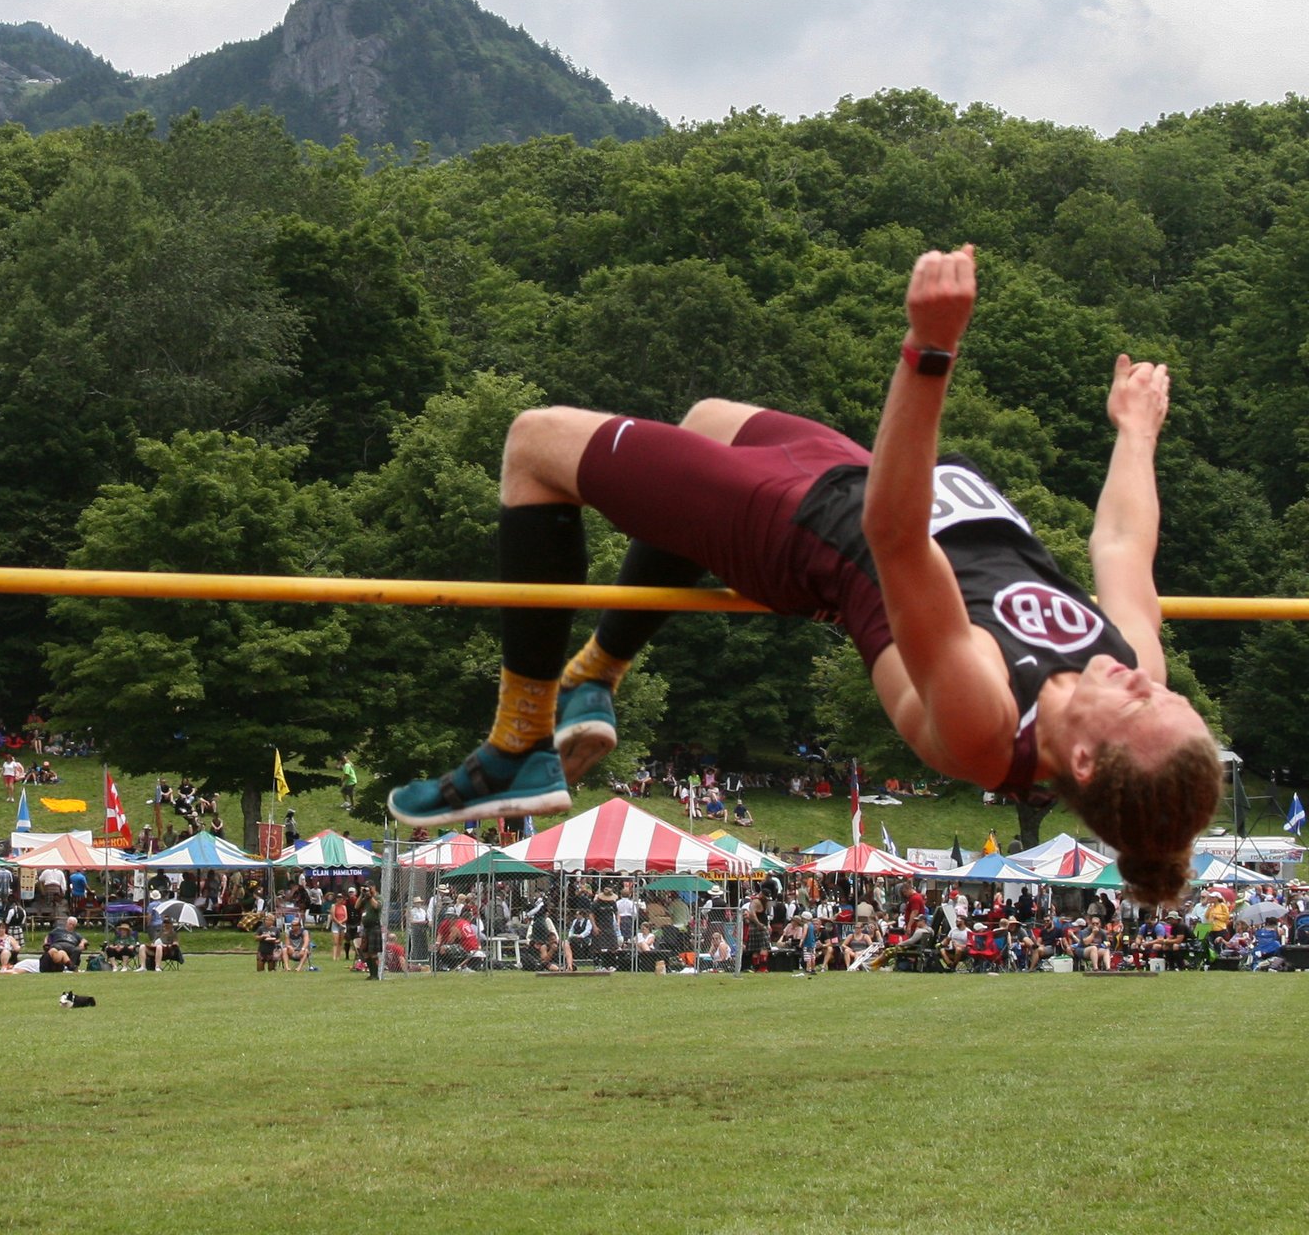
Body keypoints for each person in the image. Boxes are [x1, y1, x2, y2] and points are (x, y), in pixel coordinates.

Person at [390, 246, 1219, 905]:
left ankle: (519, 740)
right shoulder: (1130, 668)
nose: (1153, 682)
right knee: (708, 420)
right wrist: (1135, 433)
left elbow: (895, 539)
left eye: (1147, 704)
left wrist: (928, 351)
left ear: (1082, 764)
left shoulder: (986, 724)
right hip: (846, 477)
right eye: (1173, 697)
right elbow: (1119, 545)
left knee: (535, 445)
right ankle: (595, 676)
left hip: (809, 534)